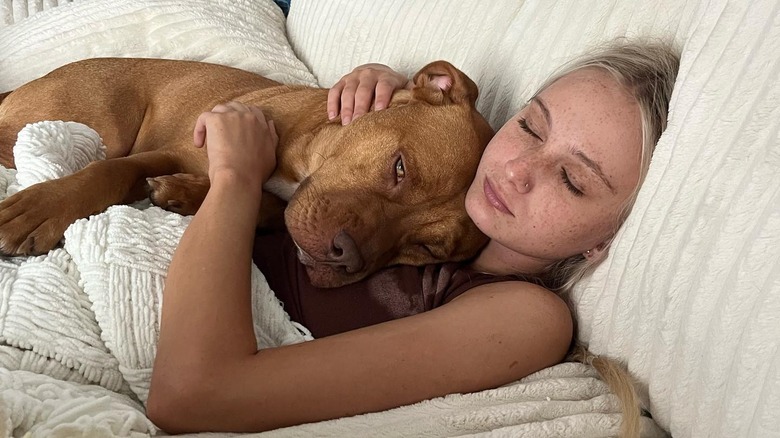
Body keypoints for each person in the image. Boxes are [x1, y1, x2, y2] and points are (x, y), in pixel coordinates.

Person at [146, 40, 680, 433]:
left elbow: (192, 394)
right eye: (529, 127)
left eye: (572, 180)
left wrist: (234, 179)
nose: (517, 170)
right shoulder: (454, 188)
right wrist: (390, 95)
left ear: (605, 241)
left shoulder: (525, 317)